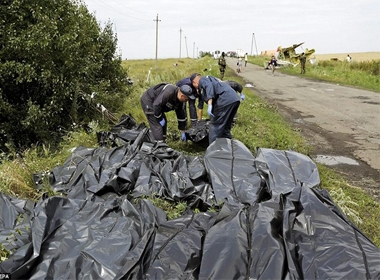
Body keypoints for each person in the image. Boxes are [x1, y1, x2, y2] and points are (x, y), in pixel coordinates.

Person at [190, 74, 240, 144]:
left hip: (224, 100)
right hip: (234, 99)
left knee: (215, 127)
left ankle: (213, 150)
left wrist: (209, 104)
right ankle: (230, 147)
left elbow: (208, 87)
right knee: (225, 127)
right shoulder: (212, 80)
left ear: (194, 82)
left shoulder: (203, 80)